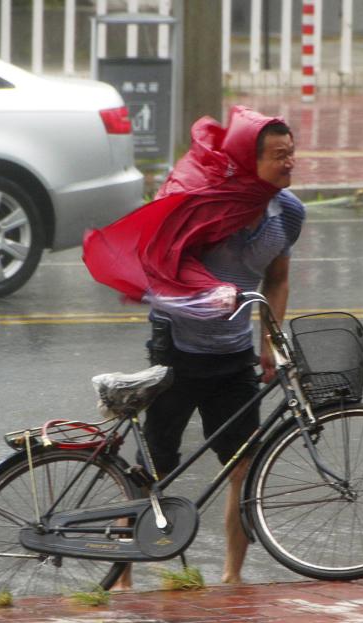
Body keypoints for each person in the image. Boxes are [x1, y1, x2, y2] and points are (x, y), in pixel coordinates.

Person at [94, 108, 304, 587]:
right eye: (277, 156)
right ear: (250, 162)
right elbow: (164, 263)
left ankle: (232, 576)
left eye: (291, 154)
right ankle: (122, 576)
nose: (289, 162)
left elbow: (278, 278)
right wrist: (204, 293)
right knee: (156, 465)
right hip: (179, 348)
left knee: (242, 467)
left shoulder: (288, 213)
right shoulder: (206, 206)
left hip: (234, 356)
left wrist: (269, 340)